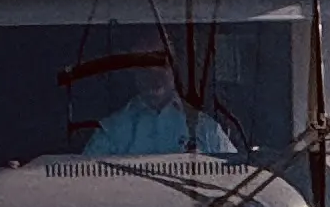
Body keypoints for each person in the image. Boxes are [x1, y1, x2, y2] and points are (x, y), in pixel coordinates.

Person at [83, 65, 238, 158]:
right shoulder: (111, 132)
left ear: (174, 70)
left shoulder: (205, 129)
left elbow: (237, 179)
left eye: (161, 65)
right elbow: (86, 187)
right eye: (145, 68)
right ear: (134, 73)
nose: (154, 77)